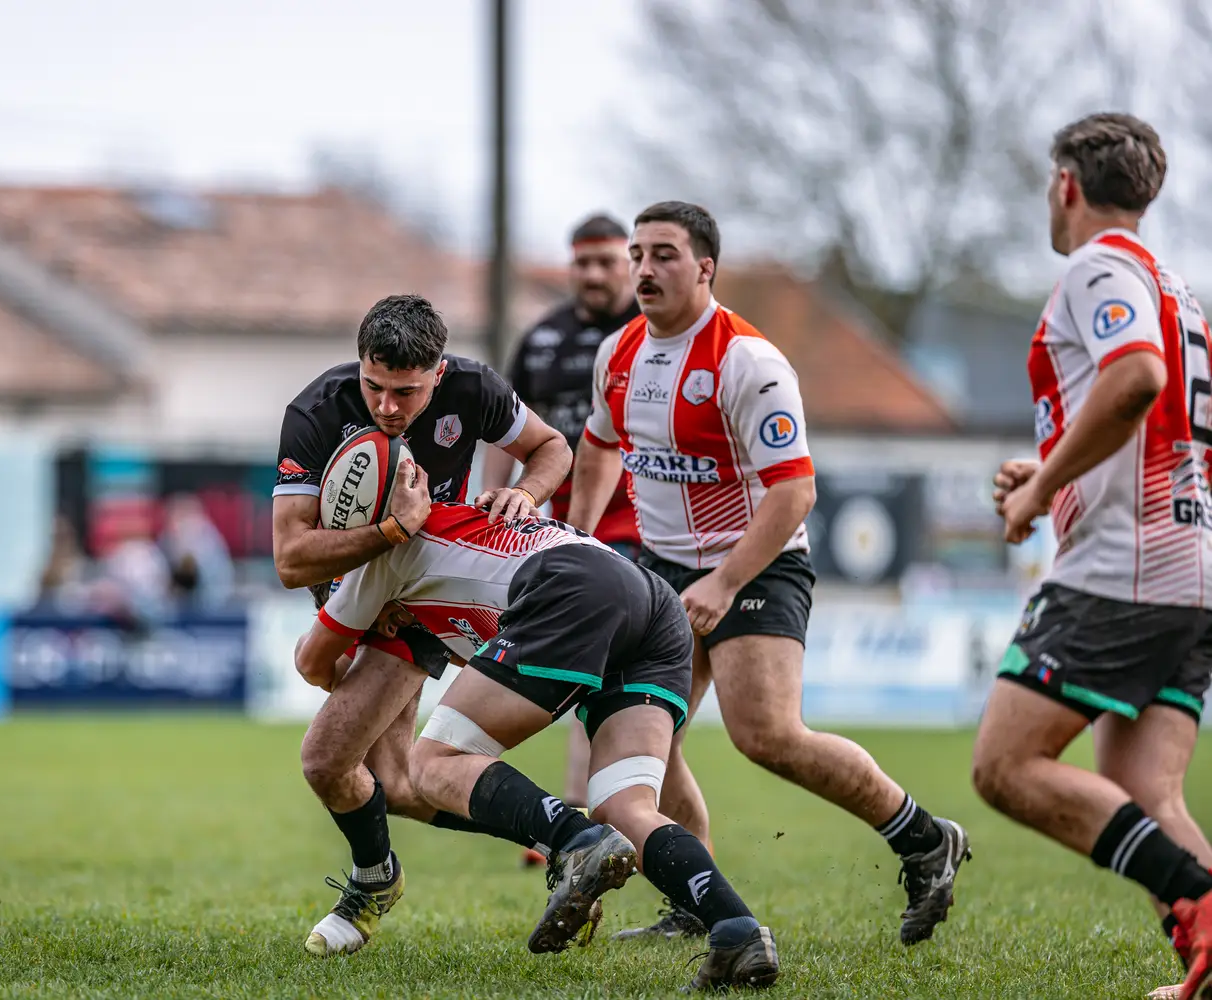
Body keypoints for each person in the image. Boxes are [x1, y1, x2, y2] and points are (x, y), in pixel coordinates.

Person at [568, 200, 970, 946]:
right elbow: (597, 447)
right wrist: (582, 539)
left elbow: (795, 492)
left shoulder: (748, 362)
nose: (645, 270)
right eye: (638, 255)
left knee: (766, 734)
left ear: (705, 268)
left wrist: (724, 582)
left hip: (757, 563)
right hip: (660, 568)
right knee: (641, 737)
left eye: (664, 255)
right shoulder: (618, 353)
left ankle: (923, 838)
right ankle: (696, 901)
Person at [297, 493, 778, 990]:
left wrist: (340, 640)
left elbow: (313, 662)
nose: (384, 631)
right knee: (623, 809)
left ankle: (576, 842)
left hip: (571, 587)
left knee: (434, 762)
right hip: (651, 605)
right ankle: (736, 930)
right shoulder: (447, 563)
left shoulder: (370, 563)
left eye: (374, 626)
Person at [977, 113, 1212, 1000]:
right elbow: (1163, 422)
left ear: (1068, 184)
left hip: (1124, 570)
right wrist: (1052, 469)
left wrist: (1043, 490)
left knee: (1005, 766)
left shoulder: (1097, 266)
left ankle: (1203, 900)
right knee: (1148, 793)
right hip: (1189, 562)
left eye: (1050, 180)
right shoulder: (1174, 287)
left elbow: (1136, 378)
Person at [273, 293, 572, 956]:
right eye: (373, 386)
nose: (387, 406)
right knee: (401, 786)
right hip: (349, 592)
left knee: (326, 759)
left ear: (438, 373)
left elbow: (552, 447)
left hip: (418, 603)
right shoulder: (316, 412)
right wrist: (391, 529)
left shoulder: (473, 388)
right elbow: (290, 558)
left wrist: (526, 492)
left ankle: (373, 882)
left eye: (405, 392)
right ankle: (564, 836)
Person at [482, 213, 645, 868]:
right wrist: (485, 502)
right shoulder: (543, 339)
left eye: (608, 261)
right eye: (584, 262)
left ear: (630, 265)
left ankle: (579, 813)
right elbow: (504, 428)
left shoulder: (651, 333)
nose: (595, 274)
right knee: (572, 671)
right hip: (561, 531)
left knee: (598, 674)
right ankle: (576, 815)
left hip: (640, 530)